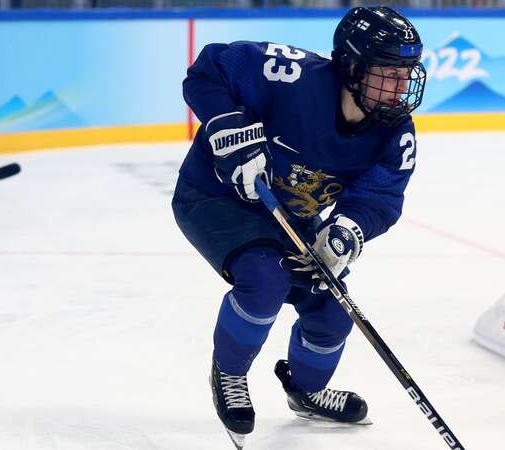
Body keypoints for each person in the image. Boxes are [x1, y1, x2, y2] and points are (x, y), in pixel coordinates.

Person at [172, 5, 426, 448]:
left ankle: (306, 390)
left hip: (293, 218)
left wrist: (346, 228)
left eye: (407, 75)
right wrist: (227, 125)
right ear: (352, 66)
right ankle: (229, 374)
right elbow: (208, 68)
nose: (401, 87)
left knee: (332, 308)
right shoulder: (288, 75)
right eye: (390, 73)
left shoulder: (396, 132)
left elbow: (380, 196)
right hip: (214, 199)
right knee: (264, 279)